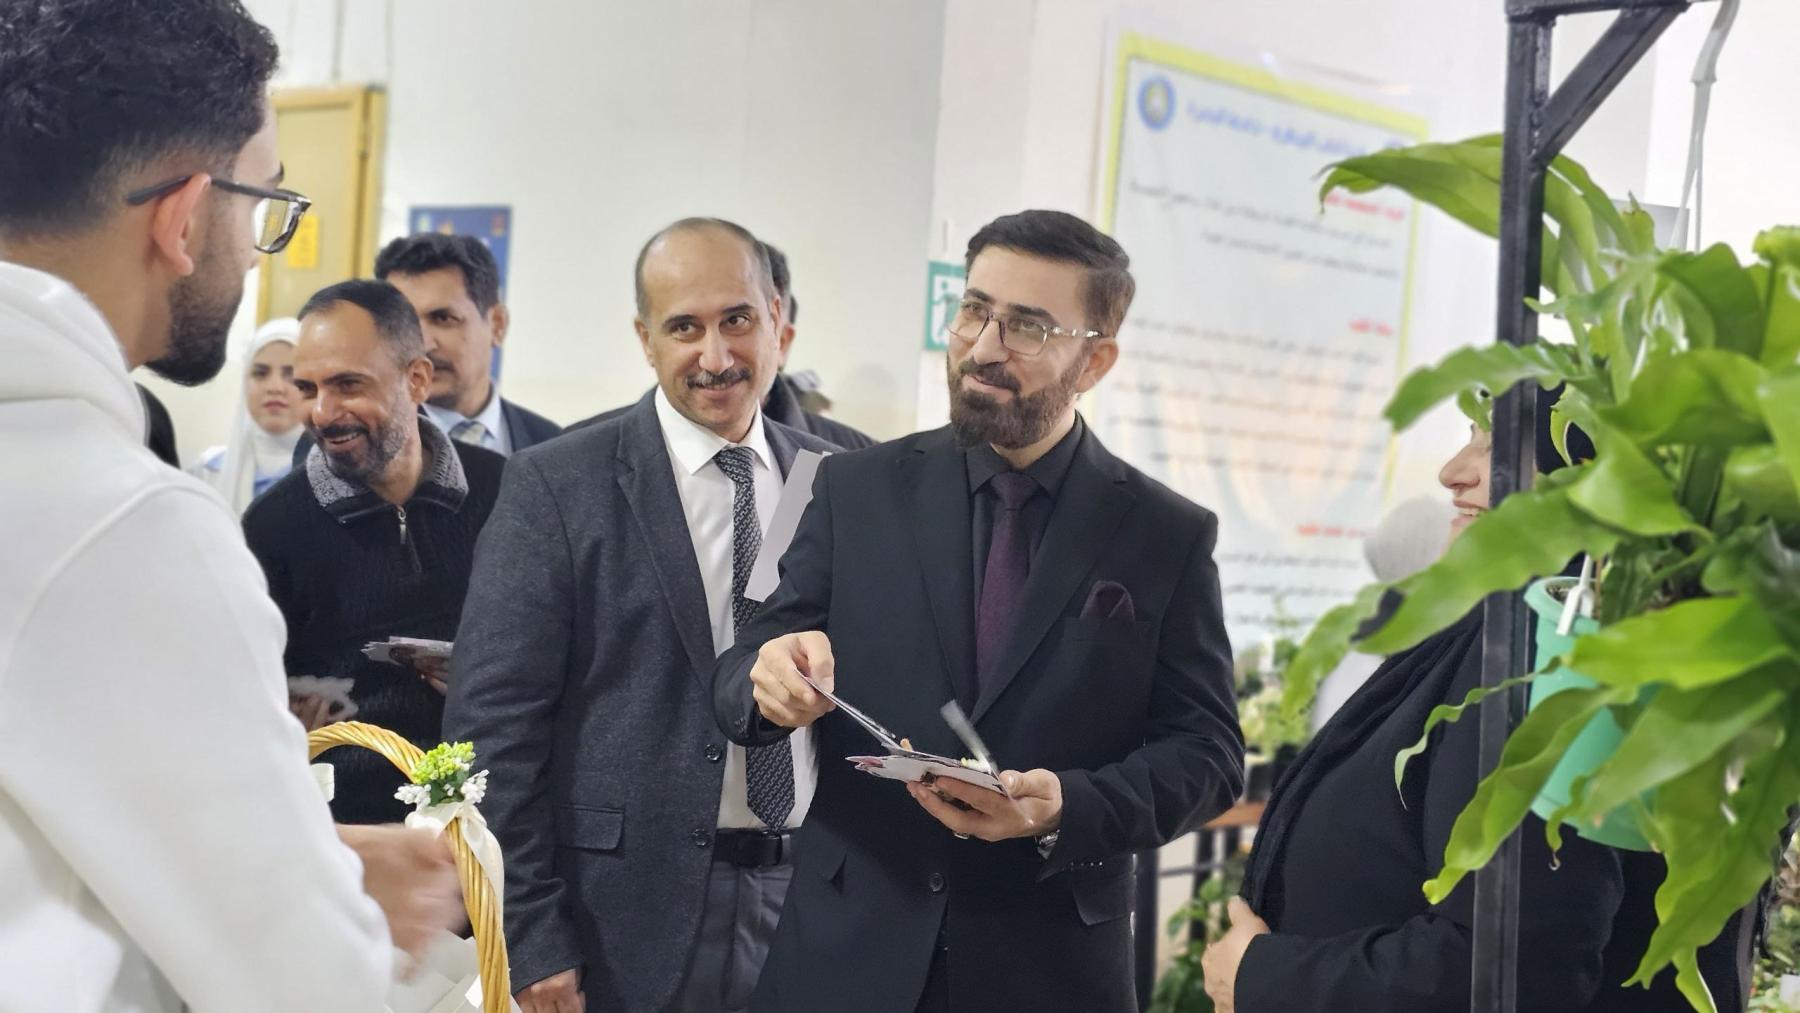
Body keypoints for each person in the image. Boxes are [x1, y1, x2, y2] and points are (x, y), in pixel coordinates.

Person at [0, 2, 460, 1010]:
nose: (256, 252)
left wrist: (314, 859)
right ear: (183, 218)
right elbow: (308, 989)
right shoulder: (131, 529)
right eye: (261, 204)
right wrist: (342, 909)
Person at [710, 209, 1245, 1013]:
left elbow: (1208, 753)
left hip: (1048, 968)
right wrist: (767, 680)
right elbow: (743, 664)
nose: (984, 347)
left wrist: (1069, 805)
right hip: (845, 955)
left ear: (1096, 359)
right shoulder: (852, 488)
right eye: (974, 310)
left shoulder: (1164, 533)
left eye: (1028, 326)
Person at [1200, 417, 1752, 1013]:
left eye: (1499, 445)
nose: (1452, 473)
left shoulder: (1553, 655)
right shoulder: (1502, 633)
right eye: (1470, 436)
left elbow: (1515, 966)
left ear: (1592, 469)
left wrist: (1270, 979)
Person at [444, 217, 838, 1013]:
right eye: (684, 327)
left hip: (808, 905)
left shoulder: (833, 479)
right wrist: (530, 934)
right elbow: (493, 730)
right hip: (621, 923)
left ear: (778, 321)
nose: (716, 355)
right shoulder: (558, 485)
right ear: (645, 339)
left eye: (737, 319)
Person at [245, 279, 506, 825]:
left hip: (495, 823)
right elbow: (241, 704)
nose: (324, 412)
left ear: (417, 380)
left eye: (348, 385)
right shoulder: (272, 528)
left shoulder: (505, 494)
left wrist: (488, 676)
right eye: (309, 388)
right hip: (346, 836)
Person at [377, 232, 560, 453]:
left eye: (443, 318)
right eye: (404, 323)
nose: (422, 345)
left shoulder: (552, 444)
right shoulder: (369, 446)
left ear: (497, 325)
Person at [758, 241, 876, 449]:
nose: (715, 358)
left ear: (782, 340)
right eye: (694, 326)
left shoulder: (849, 456)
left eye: (737, 321)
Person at [192, 317, 303, 513]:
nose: (275, 387)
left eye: (291, 374)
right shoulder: (208, 472)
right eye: (260, 373)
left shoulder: (339, 478)